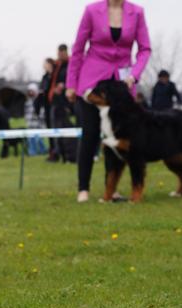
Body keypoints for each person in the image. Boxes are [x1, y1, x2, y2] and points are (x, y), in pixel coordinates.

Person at [66, 0, 151, 203]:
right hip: (92, 82)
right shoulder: (91, 10)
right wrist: (71, 83)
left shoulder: (137, 12)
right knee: (91, 135)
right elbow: (78, 49)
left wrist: (134, 75)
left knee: (118, 138)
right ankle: (83, 189)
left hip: (122, 84)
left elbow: (145, 49)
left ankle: (111, 190)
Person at [24, 83, 46, 156]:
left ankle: (43, 151)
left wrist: (37, 115)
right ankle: (32, 153)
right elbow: (26, 113)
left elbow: (42, 112)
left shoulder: (40, 101)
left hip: (38, 124)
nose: (30, 92)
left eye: (32, 91)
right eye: (29, 91)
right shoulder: (27, 102)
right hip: (30, 124)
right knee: (31, 139)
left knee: (39, 139)